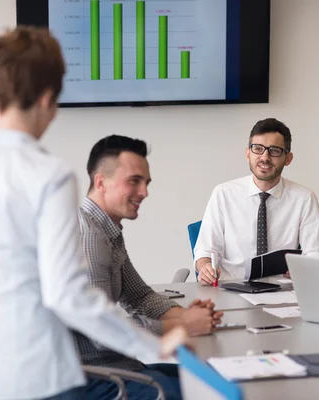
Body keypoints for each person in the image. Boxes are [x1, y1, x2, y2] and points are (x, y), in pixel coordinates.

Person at [0, 26, 187, 400]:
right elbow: (68, 295)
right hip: (35, 376)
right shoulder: (48, 175)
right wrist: (152, 347)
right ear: (49, 99)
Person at [75, 135, 224, 399]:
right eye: (134, 181)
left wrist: (186, 314)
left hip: (119, 368)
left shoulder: (107, 230)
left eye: (146, 183)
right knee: (211, 391)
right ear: (101, 182)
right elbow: (101, 332)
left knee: (214, 379)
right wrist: (182, 327)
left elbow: (139, 296)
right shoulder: (89, 239)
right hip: (96, 380)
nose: (144, 192)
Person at [193, 118, 319, 284]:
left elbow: (315, 253)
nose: (265, 157)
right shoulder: (224, 194)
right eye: (258, 149)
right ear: (248, 153)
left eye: (274, 151)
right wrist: (205, 266)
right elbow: (204, 251)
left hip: (282, 289)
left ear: (288, 158)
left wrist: (306, 269)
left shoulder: (304, 198)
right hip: (232, 287)